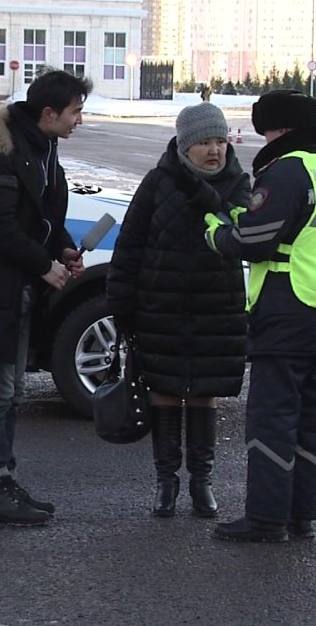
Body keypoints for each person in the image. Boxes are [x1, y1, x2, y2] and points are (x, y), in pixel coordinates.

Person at [203, 90, 316, 543]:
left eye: (266, 128)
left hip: (288, 309)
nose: (263, 136)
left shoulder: (288, 170)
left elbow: (258, 239)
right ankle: (300, 515)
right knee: (311, 419)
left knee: (273, 417)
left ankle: (266, 519)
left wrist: (217, 231)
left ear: (281, 129)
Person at [0, 70, 91, 526]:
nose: (79, 121)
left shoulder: (42, 146)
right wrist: (44, 266)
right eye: (75, 112)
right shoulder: (3, 147)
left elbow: (40, 216)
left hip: (19, 287)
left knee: (12, 390)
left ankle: (5, 479)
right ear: (49, 113)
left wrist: (62, 247)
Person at [106, 103, 251, 519]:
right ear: (185, 145)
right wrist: (121, 301)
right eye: (204, 142)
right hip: (161, 305)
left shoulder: (239, 185)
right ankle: (166, 482)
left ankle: (201, 482)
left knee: (204, 395)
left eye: (220, 141)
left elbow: (238, 231)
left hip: (215, 309)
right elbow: (129, 244)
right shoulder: (157, 183)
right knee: (165, 393)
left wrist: (198, 190)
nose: (214, 150)